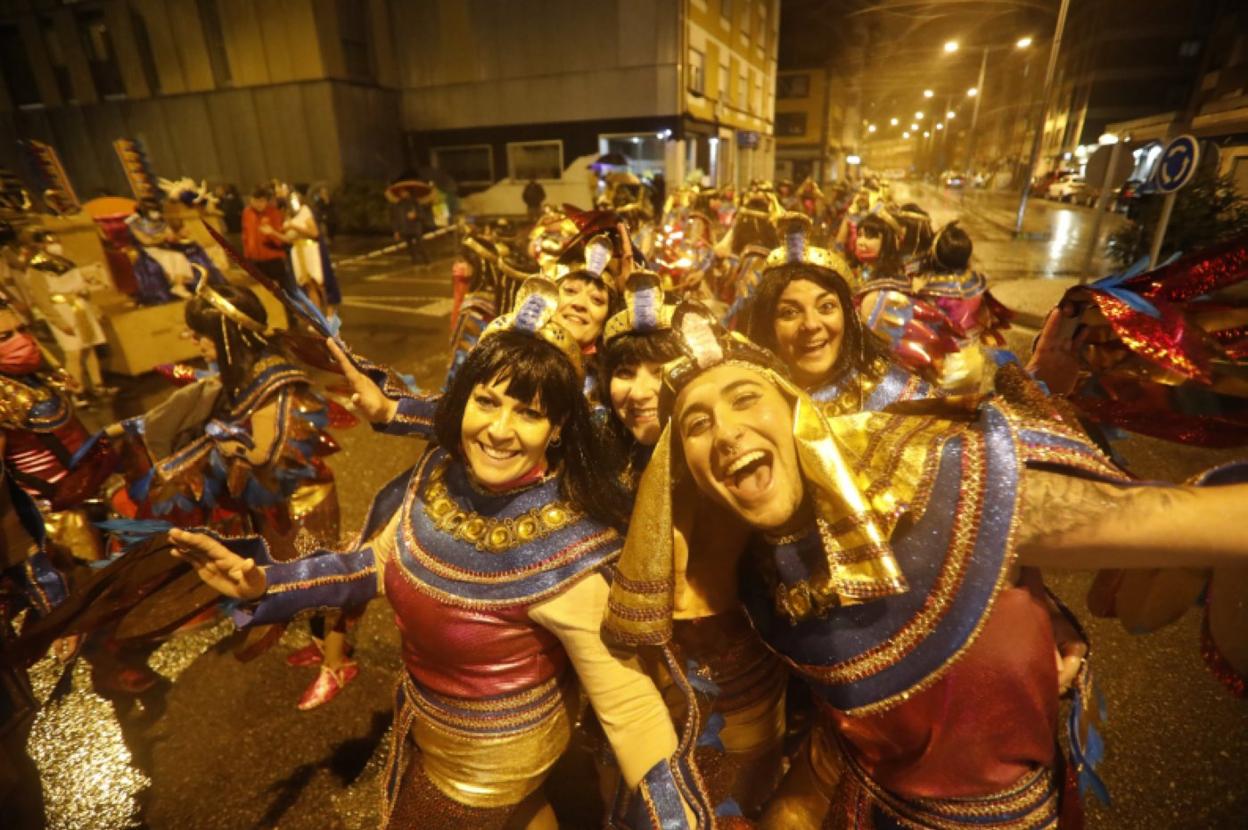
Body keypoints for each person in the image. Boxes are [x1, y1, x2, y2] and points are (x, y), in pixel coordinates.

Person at [606, 303, 1248, 830]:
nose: (725, 434)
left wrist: (1030, 600)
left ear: (799, 409)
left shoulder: (945, 479)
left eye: (747, 399)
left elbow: (1192, 522)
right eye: (696, 424)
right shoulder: (749, 573)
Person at [169, 287, 708, 829]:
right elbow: (373, 565)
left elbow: (631, 709)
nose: (499, 430)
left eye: (528, 413)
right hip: (428, 728)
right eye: (487, 402)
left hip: (490, 770)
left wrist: (675, 818)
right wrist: (263, 581)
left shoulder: (569, 553)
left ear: (559, 428)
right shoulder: (438, 476)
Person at [107, 282, 353, 708]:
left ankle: (337, 665)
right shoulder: (244, 370)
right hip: (276, 497)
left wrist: (219, 440)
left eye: (201, 335)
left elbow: (263, 452)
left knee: (321, 576)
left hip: (302, 496)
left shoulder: (270, 378)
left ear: (225, 335)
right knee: (295, 574)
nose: (194, 343)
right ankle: (320, 647)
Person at [601, 272, 789, 819]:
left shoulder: (732, 455)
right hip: (623, 678)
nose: (639, 392)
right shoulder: (594, 456)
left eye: (659, 372)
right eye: (623, 371)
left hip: (729, 680)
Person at [23, 230, 114, 404]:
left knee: (89, 347)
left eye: (56, 241)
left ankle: (98, 385)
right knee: (73, 353)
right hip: (63, 311)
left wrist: (89, 302)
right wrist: (59, 321)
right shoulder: (36, 268)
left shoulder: (66, 261)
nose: (55, 245)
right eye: (49, 242)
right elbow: (42, 300)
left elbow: (80, 284)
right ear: (40, 245)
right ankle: (76, 392)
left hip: (80, 307)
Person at [275, 182, 341, 314]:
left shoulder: (304, 210)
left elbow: (314, 233)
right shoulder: (287, 214)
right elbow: (288, 239)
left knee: (320, 283)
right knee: (308, 285)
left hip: (310, 249)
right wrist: (272, 232)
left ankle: (330, 314)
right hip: (297, 251)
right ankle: (318, 317)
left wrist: (293, 227)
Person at [242, 187, 290, 288]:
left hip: (273, 258)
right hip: (255, 259)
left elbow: (280, 240)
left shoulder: (273, 213)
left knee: (277, 287)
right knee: (260, 287)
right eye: (256, 201)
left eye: (262, 201)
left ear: (266, 201)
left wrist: (270, 233)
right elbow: (246, 235)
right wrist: (247, 256)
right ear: (251, 200)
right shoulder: (247, 213)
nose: (259, 204)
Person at [391, 190, 430, 265]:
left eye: (404, 191)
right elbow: (395, 219)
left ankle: (427, 261)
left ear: (408, 192)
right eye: (401, 192)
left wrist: (415, 215)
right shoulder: (398, 205)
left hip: (415, 228)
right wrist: (396, 231)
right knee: (410, 248)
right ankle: (415, 263)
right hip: (405, 229)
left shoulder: (415, 203)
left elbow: (423, 216)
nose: (402, 193)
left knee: (420, 246)